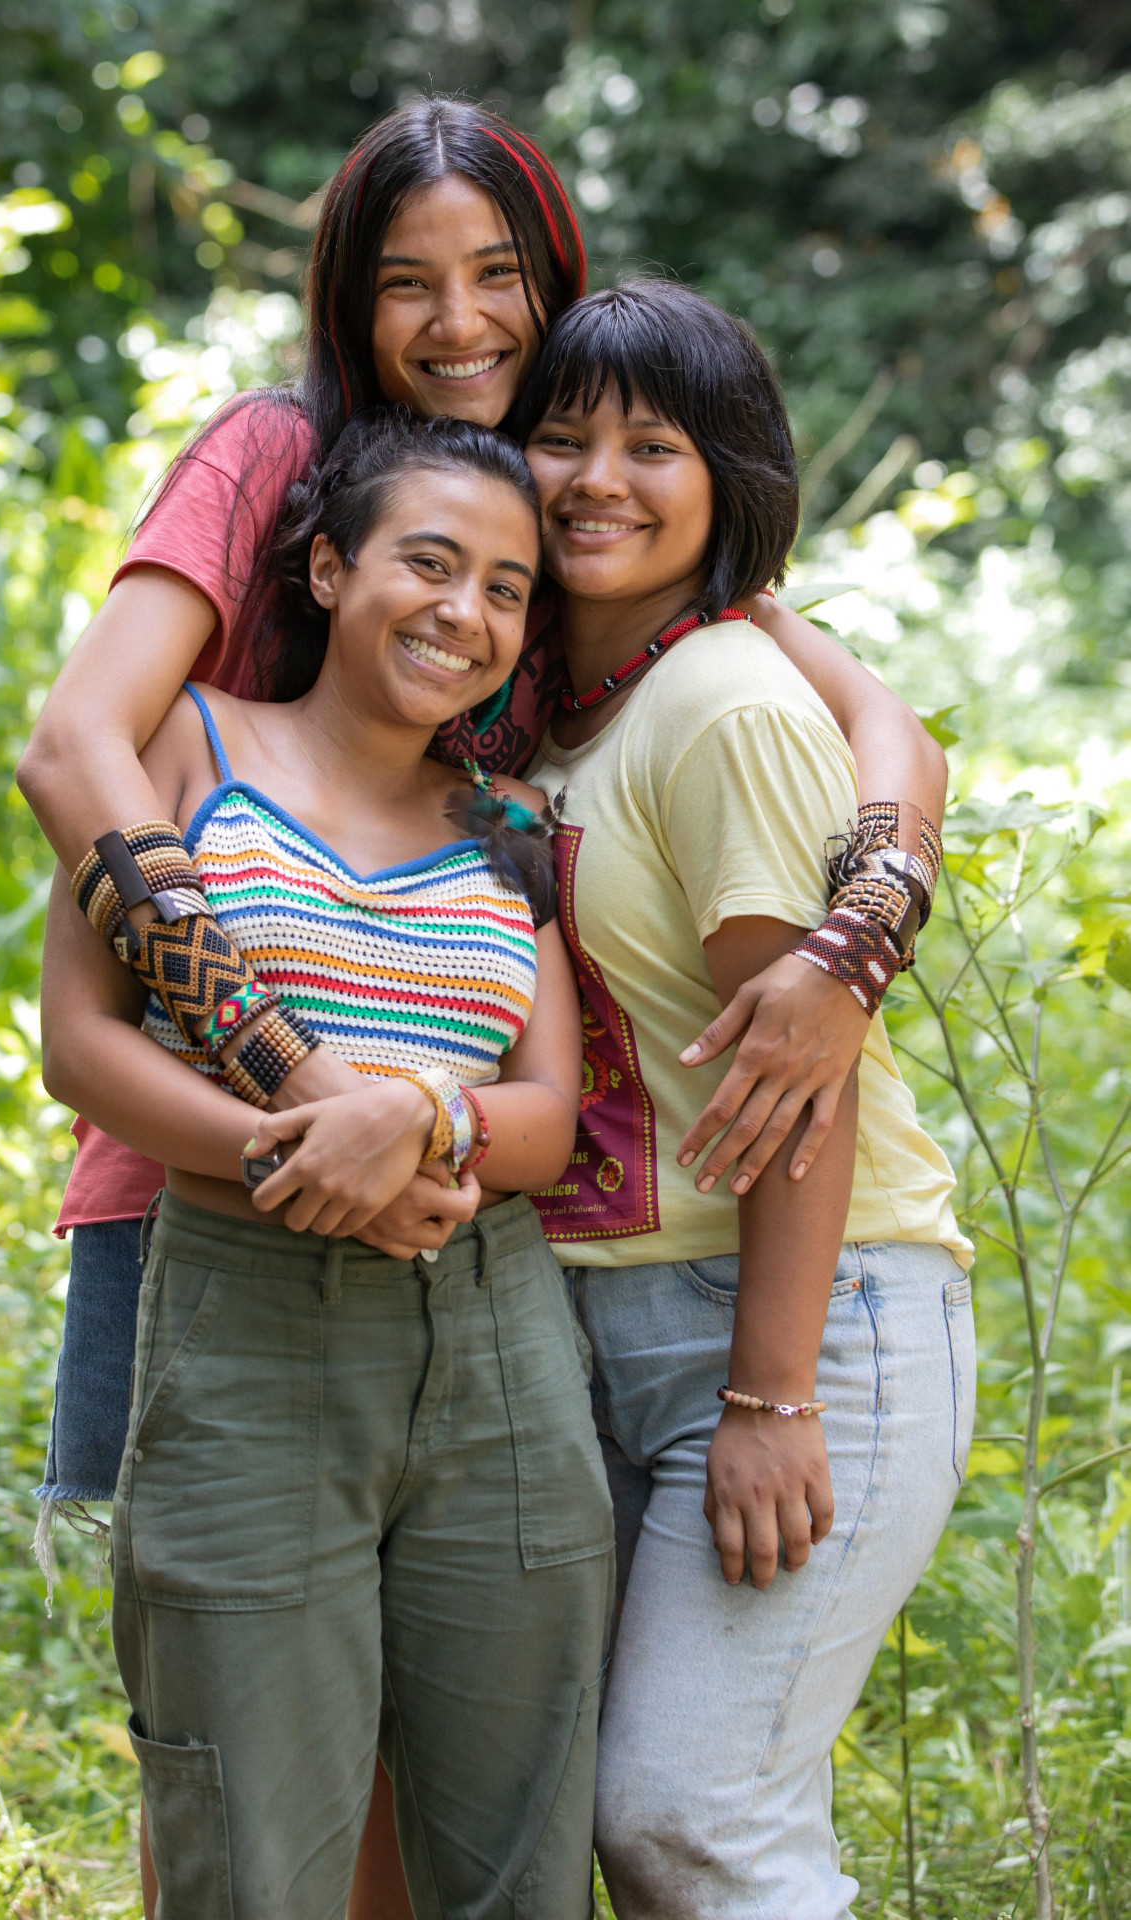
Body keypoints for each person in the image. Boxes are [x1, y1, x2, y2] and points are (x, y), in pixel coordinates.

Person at [17, 92, 945, 1554]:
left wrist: (853, 943)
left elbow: (882, 724)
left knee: (442, 1696)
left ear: (554, 278)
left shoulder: (563, 510)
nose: (461, 320)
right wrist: (303, 1085)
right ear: (346, 299)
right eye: (406, 279)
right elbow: (74, 741)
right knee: (237, 1686)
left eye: (499, 272)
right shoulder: (273, 453)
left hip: (462, 1182)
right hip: (208, 1156)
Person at [41, 411, 615, 1920]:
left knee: (516, 1860)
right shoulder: (190, 741)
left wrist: (424, 1120)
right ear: (325, 563)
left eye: (506, 588)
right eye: (428, 563)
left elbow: (550, 1111)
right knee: (251, 1852)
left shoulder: (508, 827)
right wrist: (298, 1152)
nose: (465, 612)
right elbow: (82, 1043)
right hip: (246, 1327)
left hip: (495, 1346)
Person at [507, 280, 975, 1918]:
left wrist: (774, 1398)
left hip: (800, 1318)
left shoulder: (718, 702)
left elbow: (805, 1076)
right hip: (608, 1330)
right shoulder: (558, 714)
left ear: (731, 481)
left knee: (689, 1820)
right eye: (560, 439)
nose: (597, 479)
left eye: (653, 444)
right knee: (661, 1836)